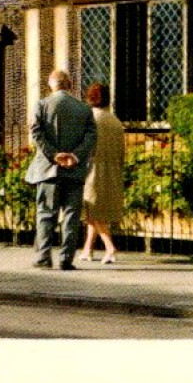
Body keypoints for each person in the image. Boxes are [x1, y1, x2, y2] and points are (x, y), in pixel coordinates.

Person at [24, 69, 97, 271]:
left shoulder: (42, 104)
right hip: (74, 170)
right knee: (72, 216)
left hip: (49, 169)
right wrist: (75, 156)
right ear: (70, 84)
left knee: (46, 214)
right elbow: (91, 137)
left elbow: (36, 132)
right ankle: (66, 259)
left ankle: (43, 256)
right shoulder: (84, 109)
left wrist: (53, 154)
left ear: (51, 84)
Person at [82, 83, 125, 264]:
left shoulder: (90, 119)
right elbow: (122, 150)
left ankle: (109, 246)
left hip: (92, 168)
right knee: (95, 211)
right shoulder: (115, 121)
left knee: (92, 209)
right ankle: (87, 249)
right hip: (112, 169)